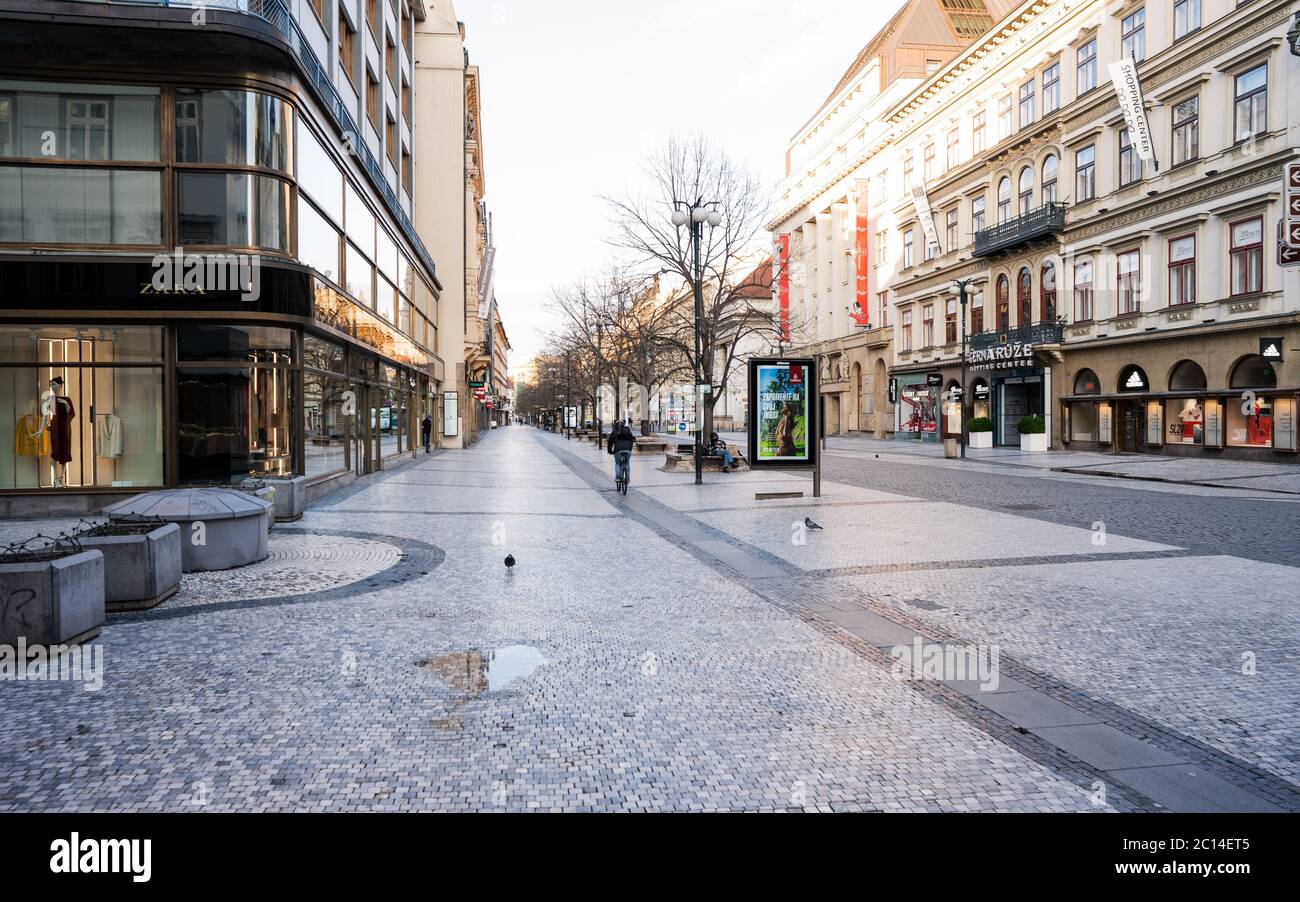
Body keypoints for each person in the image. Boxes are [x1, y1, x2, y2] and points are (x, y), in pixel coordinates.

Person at [607, 420, 636, 486]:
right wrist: (630, 449)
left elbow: (610, 443)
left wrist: (610, 451)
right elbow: (632, 440)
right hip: (628, 449)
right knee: (627, 463)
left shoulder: (614, 431)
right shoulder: (627, 430)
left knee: (618, 463)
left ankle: (618, 478)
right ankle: (627, 479)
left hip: (618, 449)